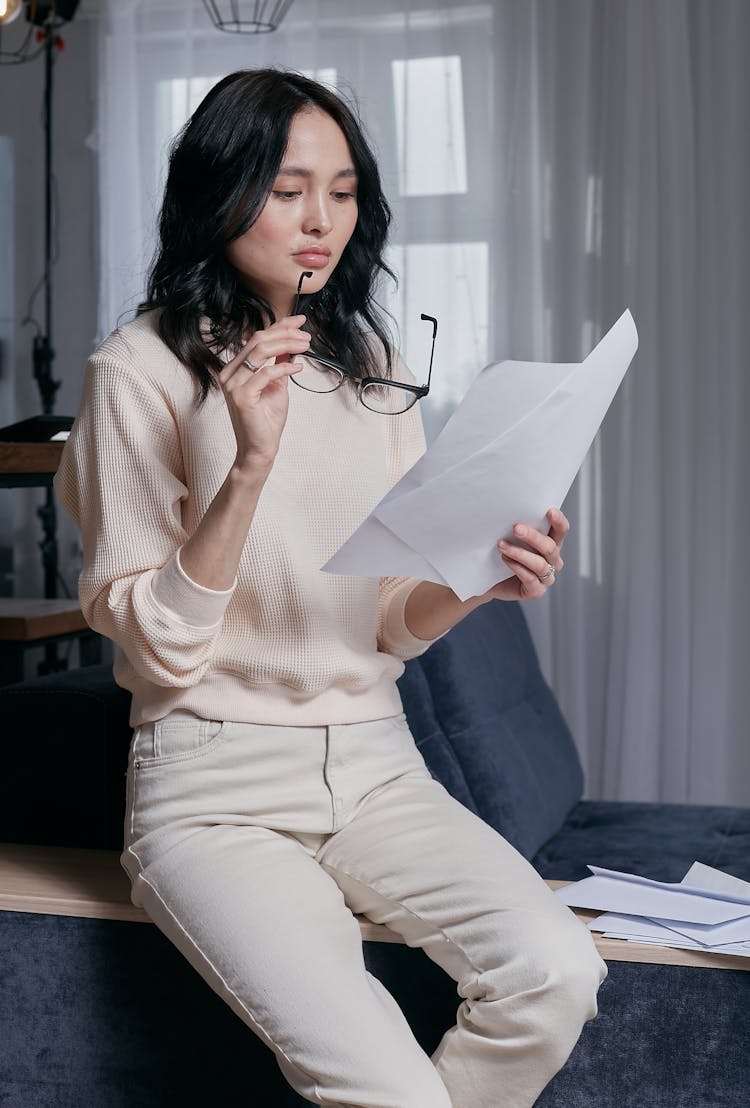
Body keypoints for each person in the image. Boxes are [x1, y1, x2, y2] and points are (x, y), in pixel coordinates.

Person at [55, 68, 607, 1108]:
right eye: (289, 187)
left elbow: (389, 620)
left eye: (345, 191)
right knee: (387, 1090)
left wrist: (479, 576)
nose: (323, 221)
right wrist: (247, 466)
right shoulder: (138, 369)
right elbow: (158, 643)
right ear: (219, 193)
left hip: (375, 763)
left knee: (557, 970)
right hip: (212, 789)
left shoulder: (370, 361)